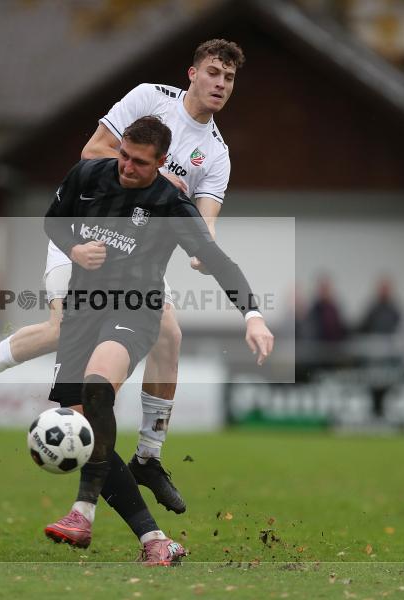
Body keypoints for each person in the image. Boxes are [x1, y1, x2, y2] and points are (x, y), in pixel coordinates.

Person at [0, 39, 245, 514]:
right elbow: (92, 151)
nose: (220, 83)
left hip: (137, 257)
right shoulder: (149, 98)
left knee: (170, 334)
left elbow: (205, 223)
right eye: (213, 72)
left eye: (228, 77)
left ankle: (148, 457)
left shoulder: (217, 154)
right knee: (63, 328)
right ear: (192, 73)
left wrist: (204, 254)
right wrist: (159, 180)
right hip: (86, 236)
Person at [37, 116, 273, 565]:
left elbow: (219, 262)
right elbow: (54, 222)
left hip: (135, 309)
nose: (127, 167)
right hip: (82, 311)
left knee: (97, 389)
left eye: (140, 162)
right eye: (124, 156)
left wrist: (253, 316)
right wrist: (74, 249)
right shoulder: (89, 173)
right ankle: (154, 540)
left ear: (162, 161)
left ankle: (81, 512)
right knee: (86, 429)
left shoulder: (172, 205)